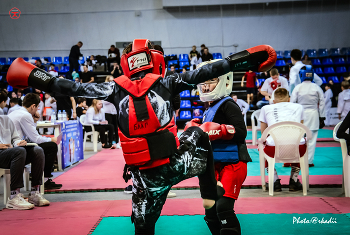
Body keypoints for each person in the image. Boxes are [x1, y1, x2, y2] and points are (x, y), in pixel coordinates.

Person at [7, 39, 276, 235]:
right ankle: (212, 214)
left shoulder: (112, 88)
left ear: (127, 64)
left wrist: (31, 74)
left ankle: (207, 213)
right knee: (199, 136)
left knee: (144, 230)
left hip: (145, 180)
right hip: (177, 163)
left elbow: (65, 85)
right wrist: (248, 59)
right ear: (153, 60)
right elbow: (210, 70)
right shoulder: (168, 81)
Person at [193, 60, 251, 235]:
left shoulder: (228, 104)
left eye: (210, 81)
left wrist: (222, 130)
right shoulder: (209, 107)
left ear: (224, 81)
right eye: (202, 82)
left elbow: (241, 132)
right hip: (213, 165)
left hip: (232, 163)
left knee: (223, 207)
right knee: (210, 210)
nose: (205, 86)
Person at [8, 93, 62, 190]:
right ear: (33, 106)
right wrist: (51, 139)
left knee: (45, 146)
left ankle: (41, 178)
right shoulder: (25, 115)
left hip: (11, 148)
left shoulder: (14, 112)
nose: (37, 110)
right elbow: (36, 139)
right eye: (37, 107)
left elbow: (29, 135)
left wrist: (35, 121)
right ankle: (45, 180)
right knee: (51, 146)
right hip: (18, 150)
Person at [259, 88, 305, 191]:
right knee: (298, 140)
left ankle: (274, 181)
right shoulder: (299, 107)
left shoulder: (266, 108)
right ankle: (294, 180)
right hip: (298, 148)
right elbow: (301, 128)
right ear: (289, 99)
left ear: (273, 101)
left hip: (273, 149)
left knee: (261, 143)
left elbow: (264, 133)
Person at [0, 115, 50, 209]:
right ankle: (14, 196)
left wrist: (18, 142)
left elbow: (15, 138)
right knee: (19, 151)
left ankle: (35, 192)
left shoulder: (5, 119)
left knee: (37, 151)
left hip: (10, 152)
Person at [291, 66, 325, 166]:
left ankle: (297, 160)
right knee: (312, 140)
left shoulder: (298, 87)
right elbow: (322, 103)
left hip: (300, 115)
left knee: (299, 139)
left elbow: (293, 103)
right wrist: (322, 117)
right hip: (314, 115)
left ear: (301, 75)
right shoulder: (317, 87)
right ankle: (309, 162)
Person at [103, 76, 120, 148]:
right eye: (110, 81)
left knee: (116, 128)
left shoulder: (116, 89)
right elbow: (103, 101)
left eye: (112, 80)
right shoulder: (104, 89)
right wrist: (112, 100)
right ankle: (110, 142)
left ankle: (117, 142)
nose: (111, 82)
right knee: (110, 127)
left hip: (114, 111)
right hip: (107, 111)